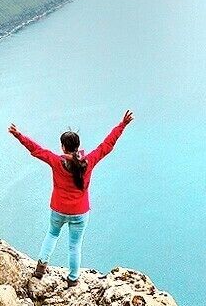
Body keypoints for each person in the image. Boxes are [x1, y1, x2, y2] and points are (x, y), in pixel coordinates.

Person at [8, 109, 133, 285]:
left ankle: (40, 270)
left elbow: (36, 149)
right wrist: (122, 125)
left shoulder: (55, 161)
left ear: (63, 147)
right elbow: (107, 145)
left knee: (51, 235)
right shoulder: (88, 161)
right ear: (78, 146)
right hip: (80, 212)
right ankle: (73, 279)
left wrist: (18, 135)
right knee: (75, 246)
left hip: (58, 209)